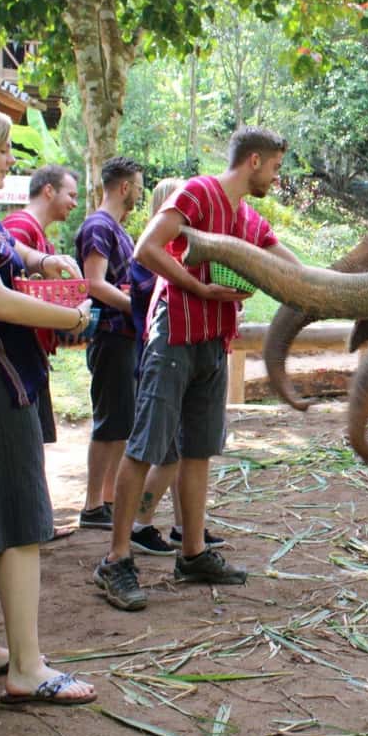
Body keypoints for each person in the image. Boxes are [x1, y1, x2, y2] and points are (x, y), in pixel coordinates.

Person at [95, 126, 300, 610]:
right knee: (146, 446)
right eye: (274, 167)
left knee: (199, 450)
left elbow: (290, 265)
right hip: (175, 334)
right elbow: (148, 247)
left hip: (214, 340)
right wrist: (199, 288)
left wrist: (333, 285)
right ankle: (116, 559)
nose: (276, 177)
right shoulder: (198, 192)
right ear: (253, 161)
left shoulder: (248, 219)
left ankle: (192, 553)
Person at [0, 108, 96, 705]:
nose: (11, 160)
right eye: (3, 149)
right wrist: (70, 317)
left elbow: (9, 255)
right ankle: (28, 668)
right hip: (0, 383)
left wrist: (40, 261)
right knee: (22, 524)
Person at [126, 177, 226, 556]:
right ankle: (138, 525)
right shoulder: (153, 260)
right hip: (161, 358)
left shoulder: (178, 255)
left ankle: (187, 530)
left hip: (186, 359)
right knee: (164, 455)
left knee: (188, 452)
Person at [3, 165, 81, 540]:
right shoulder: (19, 226)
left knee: (32, 447)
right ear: (48, 191)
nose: (75, 203)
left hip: (29, 357)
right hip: (11, 362)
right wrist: (69, 316)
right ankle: (30, 525)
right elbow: (10, 295)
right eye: (71, 194)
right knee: (21, 452)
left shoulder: (30, 234)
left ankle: (40, 521)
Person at [74, 156, 144, 530]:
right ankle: (92, 506)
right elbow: (95, 284)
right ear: (124, 187)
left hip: (125, 337)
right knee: (109, 422)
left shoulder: (117, 228)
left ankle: (108, 498)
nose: (141, 193)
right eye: (139, 186)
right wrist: (136, 305)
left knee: (121, 423)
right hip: (111, 336)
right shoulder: (99, 226)